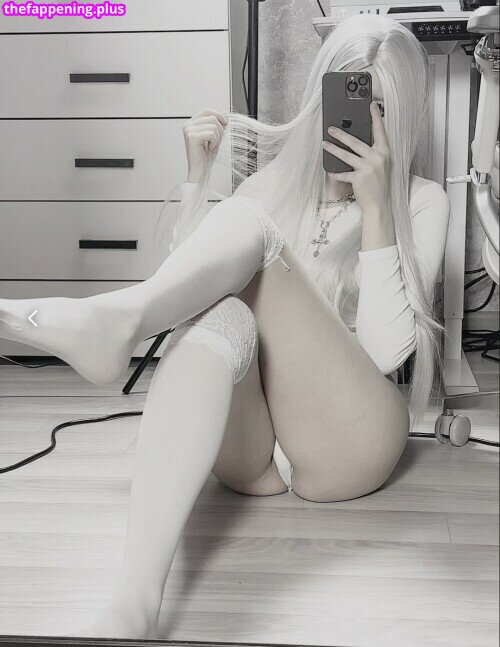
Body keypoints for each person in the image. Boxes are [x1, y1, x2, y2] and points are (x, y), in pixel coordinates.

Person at [0, 14, 450, 640]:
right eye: (344, 98)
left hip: (351, 444)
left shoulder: (422, 202)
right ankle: (133, 604)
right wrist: (197, 180)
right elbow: (193, 292)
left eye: (376, 108)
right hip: (254, 451)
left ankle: (117, 322)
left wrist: (376, 213)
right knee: (225, 305)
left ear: (398, 119)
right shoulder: (272, 189)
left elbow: (381, 356)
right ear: (318, 101)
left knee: (250, 229)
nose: (356, 123)